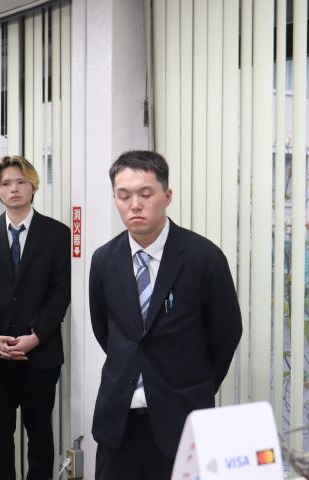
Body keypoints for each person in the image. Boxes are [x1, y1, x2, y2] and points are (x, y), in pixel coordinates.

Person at [89, 150, 242, 479]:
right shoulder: (103, 260)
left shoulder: (204, 258)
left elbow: (226, 333)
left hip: (181, 420)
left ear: (167, 195)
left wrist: (195, 385)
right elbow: (105, 330)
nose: (135, 205)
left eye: (145, 194)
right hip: (119, 422)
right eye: (124, 196)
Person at [0, 155, 70, 480]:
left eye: (21, 182)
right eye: (6, 183)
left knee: (40, 435)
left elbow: (60, 293)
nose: (14, 189)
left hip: (40, 354)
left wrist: (36, 335)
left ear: (33, 186)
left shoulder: (57, 233)